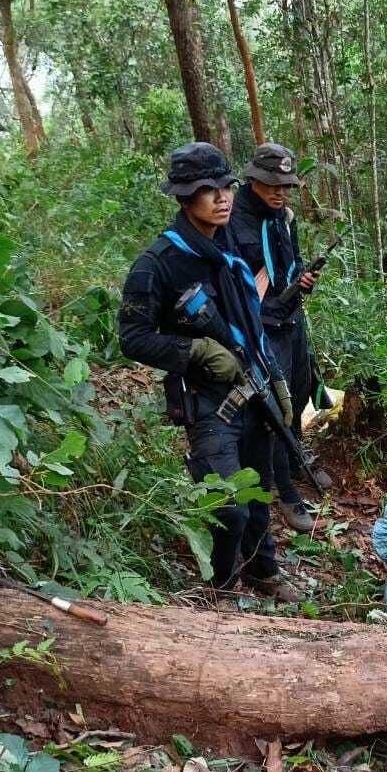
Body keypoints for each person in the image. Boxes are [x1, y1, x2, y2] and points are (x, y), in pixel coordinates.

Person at [118, 142, 304, 602]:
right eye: (207, 190)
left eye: (225, 186)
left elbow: (252, 325)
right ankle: (221, 588)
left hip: (253, 389)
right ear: (184, 198)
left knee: (259, 494)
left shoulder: (231, 248)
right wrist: (195, 349)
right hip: (207, 402)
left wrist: (276, 379)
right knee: (230, 505)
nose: (221, 198)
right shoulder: (159, 263)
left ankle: (263, 571)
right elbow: (133, 337)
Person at [228, 143, 332, 534]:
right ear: (252, 179)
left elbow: (294, 260)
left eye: (285, 186)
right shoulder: (232, 220)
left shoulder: (283, 218)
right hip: (260, 327)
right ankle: (286, 493)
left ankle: (293, 460)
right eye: (272, 184)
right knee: (276, 407)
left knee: (301, 391)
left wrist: (303, 279)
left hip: (291, 319)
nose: (279, 192)